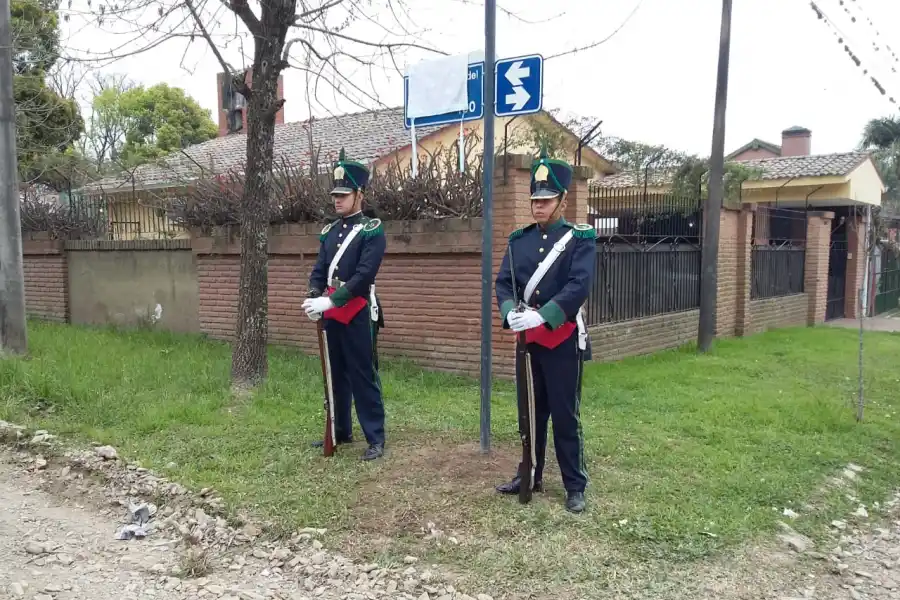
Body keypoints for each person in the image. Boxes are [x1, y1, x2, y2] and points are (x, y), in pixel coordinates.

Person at [493, 149, 595, 513]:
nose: (538, 206)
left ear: (562, 200)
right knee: (530, 412)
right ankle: (529, 473)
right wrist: (511, 313)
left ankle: (574, 484)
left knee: (565, 414)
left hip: (563, 337)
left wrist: (544, 315)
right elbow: (504, 283)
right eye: (535, 199)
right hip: (528, 340)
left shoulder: (579, 239)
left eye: (546, 199)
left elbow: (579, 285)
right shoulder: (518, 240)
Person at [302, 149, 387, 461]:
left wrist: (330, 300)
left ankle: (375, 437)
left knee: (362, 373)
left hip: (357, 311)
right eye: (335, 195)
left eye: (344, 194)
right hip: (331, 311)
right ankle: (340, 429)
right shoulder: (330, 232)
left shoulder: (371, 231)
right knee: (334, 372)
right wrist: (314, 294)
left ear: (359, 194)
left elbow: (364, 276)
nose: (337, 200)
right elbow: (319, 270)